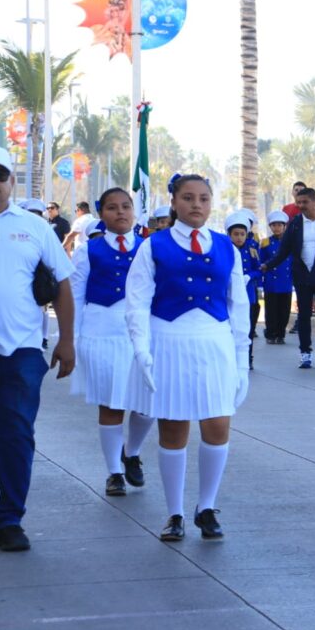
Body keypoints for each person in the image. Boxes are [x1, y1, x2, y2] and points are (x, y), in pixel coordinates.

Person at [124, 173, 250, 541]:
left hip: (215, 343)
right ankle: (175, 512)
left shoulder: (229, 247)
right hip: (169, 341)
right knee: (174, 429)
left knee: (217, 427)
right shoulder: (153, 246)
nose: (197, 204)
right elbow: (137, 301)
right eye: (189, 197)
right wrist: (142, 350)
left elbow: (238, 305)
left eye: (204, 198)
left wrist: (242, 360)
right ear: (174, 202)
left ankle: (206, 506)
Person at [0, 147, 75, 552]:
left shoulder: (34, 228)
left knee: (15, 434)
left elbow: (63, 283)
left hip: (21, 351)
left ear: (11, 181)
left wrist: (66, 340)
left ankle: (9, 518)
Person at [69, 188, 155, 497]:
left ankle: (131, 452)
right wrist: (73, 338)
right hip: (102, 331)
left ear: (134, 211)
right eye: (112, 208)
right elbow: (76, 297)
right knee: (112, 404)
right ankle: (114, 472)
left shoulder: (149, 247)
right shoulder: (88, 250)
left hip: (142, 333)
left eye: (126, 206)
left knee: (147, 404)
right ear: (100, 214)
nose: (120, 212)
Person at [262, 187, 315, 369]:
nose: (300, 206)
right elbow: (283, 251)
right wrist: (267, 265)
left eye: (304, 202)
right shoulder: (294, 224)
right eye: (298, 203)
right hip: (302, 276)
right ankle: (305, 353)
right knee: (304, 316)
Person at [226, 212, 262, 370]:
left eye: (242, 234)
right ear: (229, 235)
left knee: (247, 328)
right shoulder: (225, 249)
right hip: (228, 295)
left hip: (248, 295)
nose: (239, 237)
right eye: (235, 234)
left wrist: (249, 276)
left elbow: (259, 269)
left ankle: (248, 358)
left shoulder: (252, 249)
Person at [261, 210, 293, 344]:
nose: (277, 228)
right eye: (274, 225)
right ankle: (270, 334)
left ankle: (281, 334)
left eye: (279, 225)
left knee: (284, 311)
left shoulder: (290, 242)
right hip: (271, 282)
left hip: (286, 281)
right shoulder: (265, 243)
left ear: (285, 226)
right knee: (271, 311)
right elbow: (262, 262)